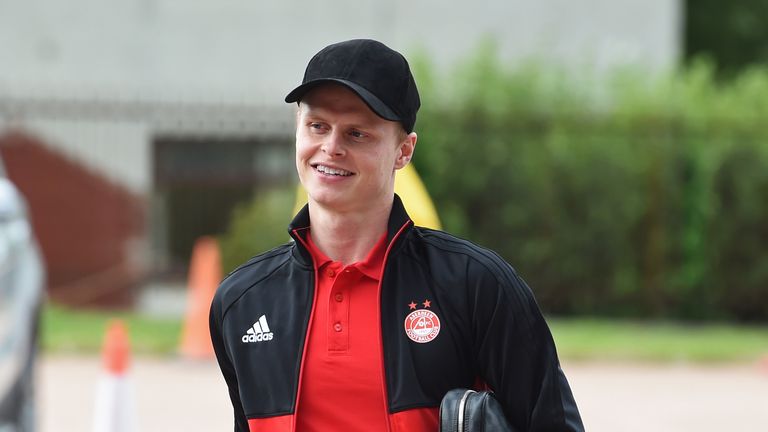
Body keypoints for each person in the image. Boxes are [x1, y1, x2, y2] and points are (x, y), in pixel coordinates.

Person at [209, 38, 584, 432]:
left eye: (357, 134)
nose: (330, 147)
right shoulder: (241, 301)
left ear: (404, 151)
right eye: (317, 126)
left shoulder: (476, 285)